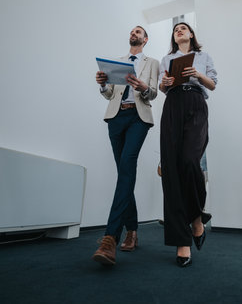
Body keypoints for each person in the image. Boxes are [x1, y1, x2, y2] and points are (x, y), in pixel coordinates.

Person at [92, 26, 159, 266]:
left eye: (139, 31)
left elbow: (153, 94)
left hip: (138, 118)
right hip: (116, 118)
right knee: (124, 174)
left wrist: (143, 87)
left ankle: (110, 238)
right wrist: (102, 83)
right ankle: (132, 230)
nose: (135, 33)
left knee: (127, 165)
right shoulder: (117, 62)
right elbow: (109, 93)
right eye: (132, 31)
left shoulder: (152, 63)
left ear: (145, 39)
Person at [159, 22, 217, 267]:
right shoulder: (167, 58)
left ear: (191, 33)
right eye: (175, 30)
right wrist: (166, 82)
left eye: (183, 28)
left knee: (190, 161)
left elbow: (212, 84)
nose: (179, 31)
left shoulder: (204, 56)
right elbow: (162, 87)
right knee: (171, 172)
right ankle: (183, 242)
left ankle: (196, 219)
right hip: (173, 103)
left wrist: (197, 74)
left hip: (195, 103)